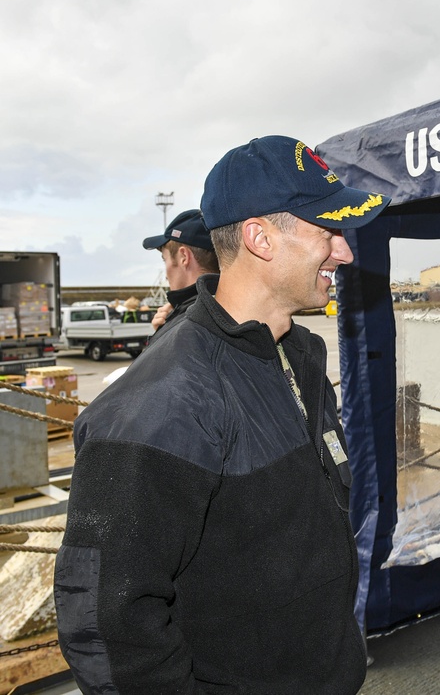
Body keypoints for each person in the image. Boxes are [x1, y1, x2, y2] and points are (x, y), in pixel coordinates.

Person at [54, 135, 390, 694]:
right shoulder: (161, 401)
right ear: (259, 238)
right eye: (327, 231)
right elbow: (106, 622)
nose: (346, 252)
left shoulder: (299, 356)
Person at [142, 208, 219, 339]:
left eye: (165, 259)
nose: (166, 275)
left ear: (184, 257)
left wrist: (163, 337)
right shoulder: (229, 309)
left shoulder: (189, 326)